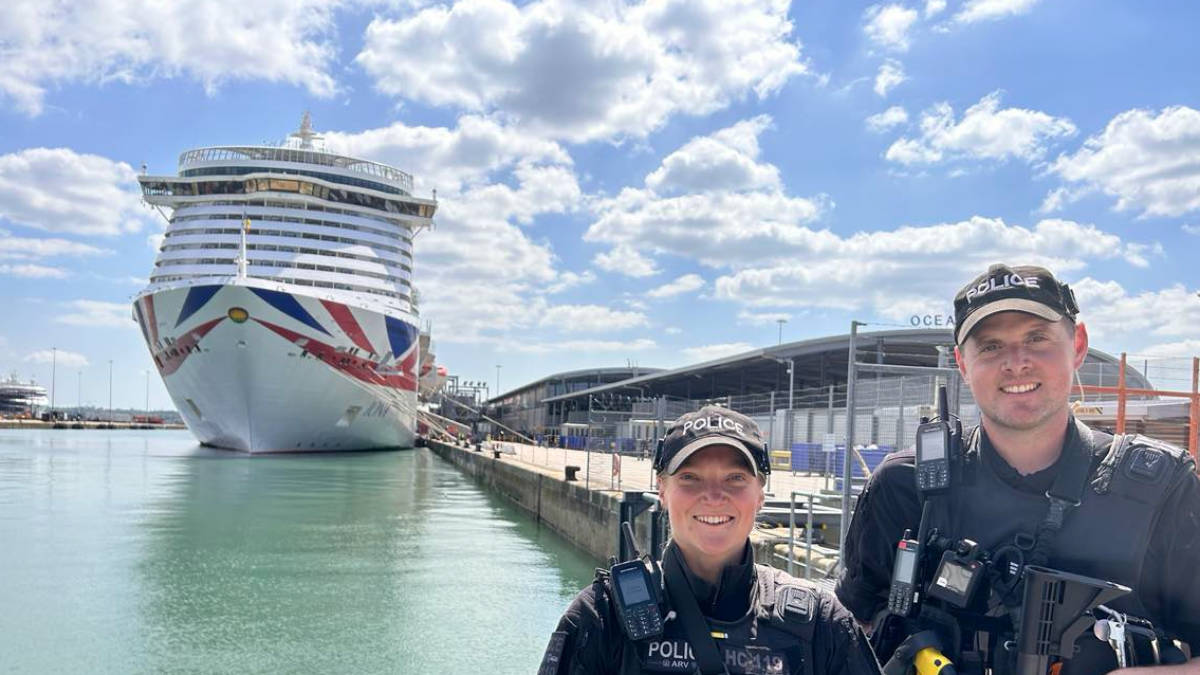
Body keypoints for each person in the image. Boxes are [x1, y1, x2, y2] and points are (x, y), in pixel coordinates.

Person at [835, 263, 1200, 673]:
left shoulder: (1162, 491)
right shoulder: (903, 486)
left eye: (1037, 338)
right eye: (991, 346)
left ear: (1078, 344)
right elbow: (849, 632)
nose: (1016, 362)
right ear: (962, 363)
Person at [540, 405, 881, 674]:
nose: (714, 496)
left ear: (760, 495)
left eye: (735, 478)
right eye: (690, 477)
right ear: (662, 490)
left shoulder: (822, 623)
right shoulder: (602, 618)